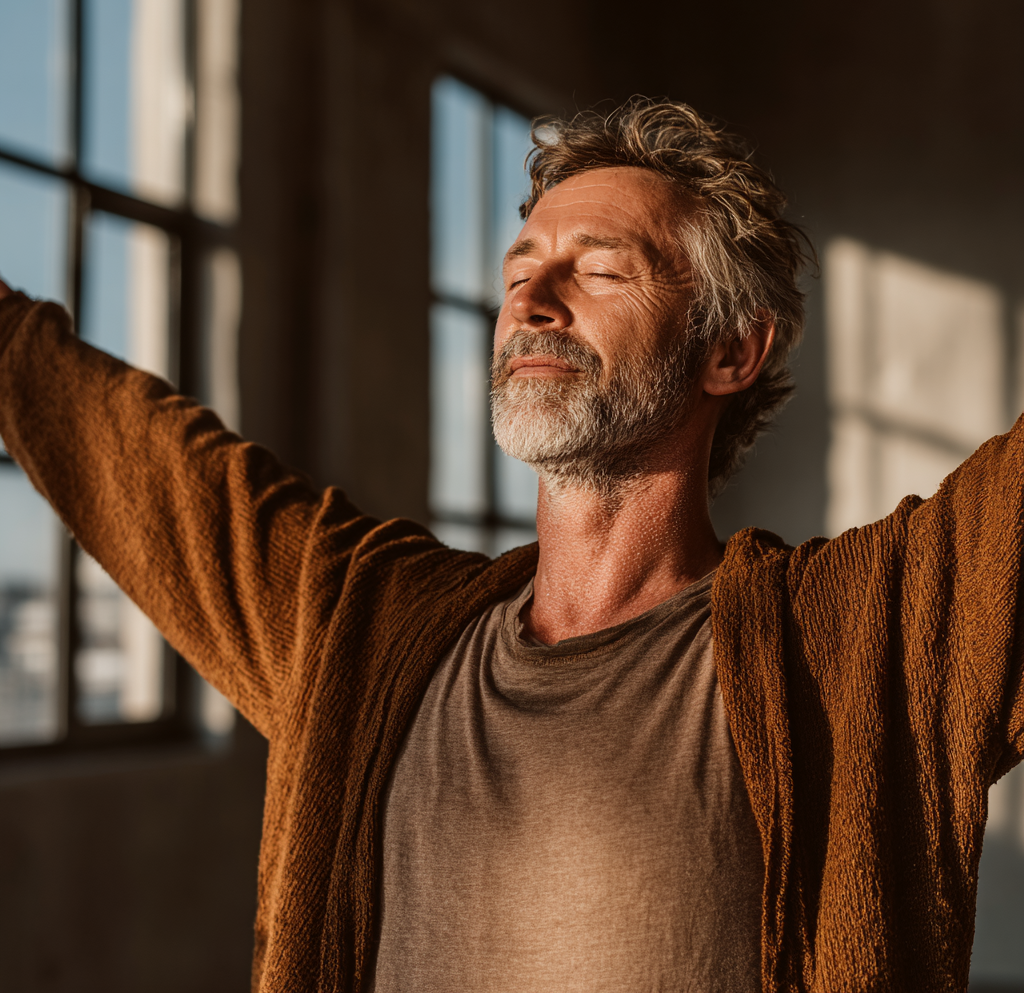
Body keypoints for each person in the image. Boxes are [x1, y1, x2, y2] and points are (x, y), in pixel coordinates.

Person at [0, 98, 1020, 993]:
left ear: (729, 350)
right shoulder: (361, 627)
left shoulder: (863, 640)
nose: (531, 299)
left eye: (600, 269)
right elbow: (124, 446)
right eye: (519, 269)